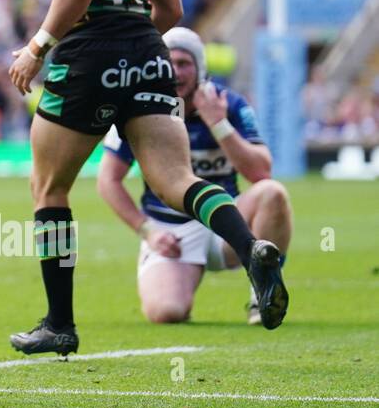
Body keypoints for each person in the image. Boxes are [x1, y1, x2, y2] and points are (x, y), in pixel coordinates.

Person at [6, 0, 288, 355]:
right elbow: (173, 9)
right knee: (174, 179)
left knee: (50, 189)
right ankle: (251, 248)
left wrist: (38, 46)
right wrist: (135, 52)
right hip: (149, 50)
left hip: (89, 53)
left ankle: (59, 324)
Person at [98, 27, 293, 325]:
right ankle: (180, 279)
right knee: (166, 312)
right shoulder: (139, 108)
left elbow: (261, 171)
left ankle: (263, 293)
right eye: (169, 62)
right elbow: (108, 180)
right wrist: (147, 231)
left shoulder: (230, 104)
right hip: (172, 231)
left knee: (273, 193)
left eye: (184, 63)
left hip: (228, 227)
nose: (176, 71)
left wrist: (219, 124)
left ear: (200, 67)